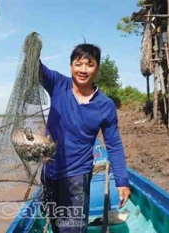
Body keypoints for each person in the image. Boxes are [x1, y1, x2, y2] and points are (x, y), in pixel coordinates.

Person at [39, 43, 131, 233]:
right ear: (71, 66)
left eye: (89, 65)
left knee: (72, 228)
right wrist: (32, 51)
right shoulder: (58, 84)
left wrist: (121, 181)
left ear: (97, 68)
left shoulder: (105, 105)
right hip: (49, 171)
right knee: (56, 223)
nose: (83, 70)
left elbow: (113, 144)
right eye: (78, 64)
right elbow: (36, 69)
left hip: (77, 176)